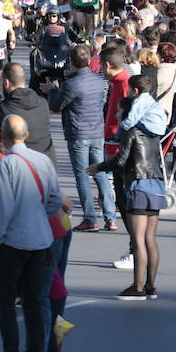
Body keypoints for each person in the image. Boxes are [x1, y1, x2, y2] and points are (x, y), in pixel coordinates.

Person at [0, 115, 62, 352]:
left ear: (2, 138)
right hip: (42, 240)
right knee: (35, 304)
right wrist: (39, 216)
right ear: (27, 135)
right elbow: (55, 200)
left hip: (13, 243)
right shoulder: (43, 160)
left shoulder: (6, 165)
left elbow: (2, 208)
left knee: (6, 304)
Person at [89, 91, 166, 301]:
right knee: (150, 239)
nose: (116, 114)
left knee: (138, 239)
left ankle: (138, 288)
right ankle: (150, 286)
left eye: (119, 110)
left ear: (129, 111)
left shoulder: (130, 132)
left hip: (139, 185)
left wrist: (99, 167)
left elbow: (121, 160)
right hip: (157, 185)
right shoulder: (152, 130)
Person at [43, 44, 116, 232]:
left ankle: (90, 218)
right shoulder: (99, 80)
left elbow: (56, 106)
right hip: (96, 131)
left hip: (78, 133)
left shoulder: (71, 84)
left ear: (72, 62)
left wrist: (52, 89)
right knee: (99, 172)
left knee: (83, 176)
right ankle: (110, 216)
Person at [0, 62, 56, 164]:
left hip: (22, 168)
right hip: (47, 164)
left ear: (6, 83)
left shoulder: (4, 112)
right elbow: (15, 110)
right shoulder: (42, 103)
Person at [99, 46, 135, 270]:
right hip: (116, 148)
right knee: (123, 202)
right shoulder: (118, 83)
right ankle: (135, 249)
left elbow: (127, 119)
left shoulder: (123, 84)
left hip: (120, 150)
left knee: (126, 203)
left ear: (107, 65)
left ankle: (135, 251)